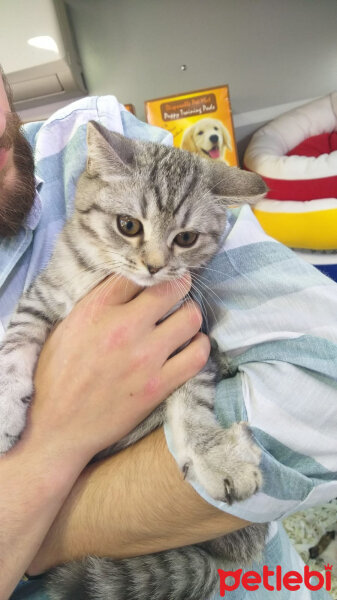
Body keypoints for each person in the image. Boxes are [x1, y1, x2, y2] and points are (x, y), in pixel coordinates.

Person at [0, 64, 336, 600]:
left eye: (181, 239)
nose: (154, 262)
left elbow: (323, 385)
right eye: (129, 228)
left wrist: (34, 525)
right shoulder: (80, 244)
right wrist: (49, 451)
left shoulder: (87, 140)